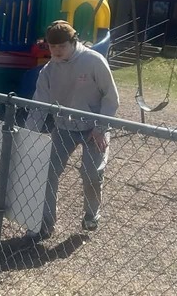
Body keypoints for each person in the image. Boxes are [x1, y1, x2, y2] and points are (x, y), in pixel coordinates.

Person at [26, 20, 120, 237]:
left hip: (94, 127)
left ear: (73, 42)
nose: (57, 51)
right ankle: (45, 223)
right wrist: (28, 134)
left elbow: (111, 98)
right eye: (52, 47)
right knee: (47, 171)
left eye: (62, 46)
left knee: (92, 173)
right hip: (64, 126)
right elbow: (38, 105)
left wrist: (101, 126)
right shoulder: (48, 71)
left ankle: (91, 215)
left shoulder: (93, 61)